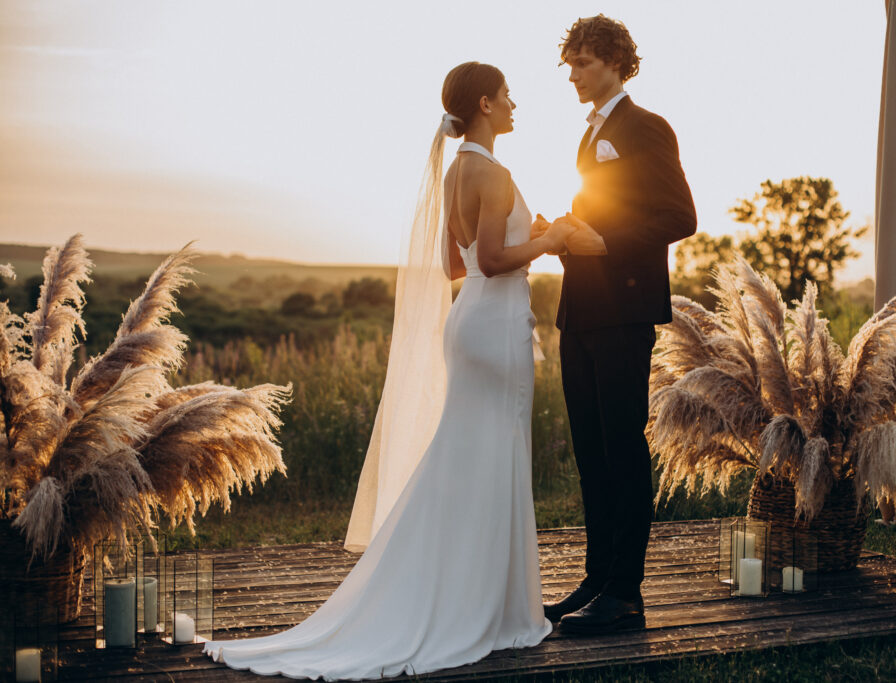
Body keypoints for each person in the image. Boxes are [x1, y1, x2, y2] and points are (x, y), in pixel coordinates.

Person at [203, 62, 577, 680]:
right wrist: (551, 238)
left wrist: (525, 241)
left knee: (464, 458)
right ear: (485, 103)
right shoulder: (494, 172)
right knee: (492, 457)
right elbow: (489, 258)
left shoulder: (457, 171)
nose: (515, 104)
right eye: (507, 95)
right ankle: (490, 607)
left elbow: (456, 268)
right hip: (495, 329)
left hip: (469, 321)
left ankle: (462, 592)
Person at [539, 15, 697, 634]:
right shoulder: (592, 135)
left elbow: (680, 215)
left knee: (622, 450)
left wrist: (604, 241)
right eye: (570, 64)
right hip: (579, 312)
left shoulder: (645, 127)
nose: (573, 75)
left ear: (614, 61)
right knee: (589, 452)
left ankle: (626, 593)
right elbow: (601, 214)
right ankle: (597, 577)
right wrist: (562, 235)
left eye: (582, 63)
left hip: (624, 313)